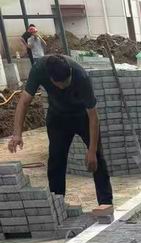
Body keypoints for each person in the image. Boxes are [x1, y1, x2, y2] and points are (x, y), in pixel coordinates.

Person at [7, 53, 113, 209]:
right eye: (61, 84)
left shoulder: (81, 76)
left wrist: (91, 151)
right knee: (56, 160)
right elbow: (24, 102)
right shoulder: (39, 69)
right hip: (58, 117)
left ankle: (106, 204)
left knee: (97, 158)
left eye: (67, 82)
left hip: (82, 116)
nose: (65, 86)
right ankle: (58, 204)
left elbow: (93, 116)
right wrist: (17, 134)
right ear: (51, 79)